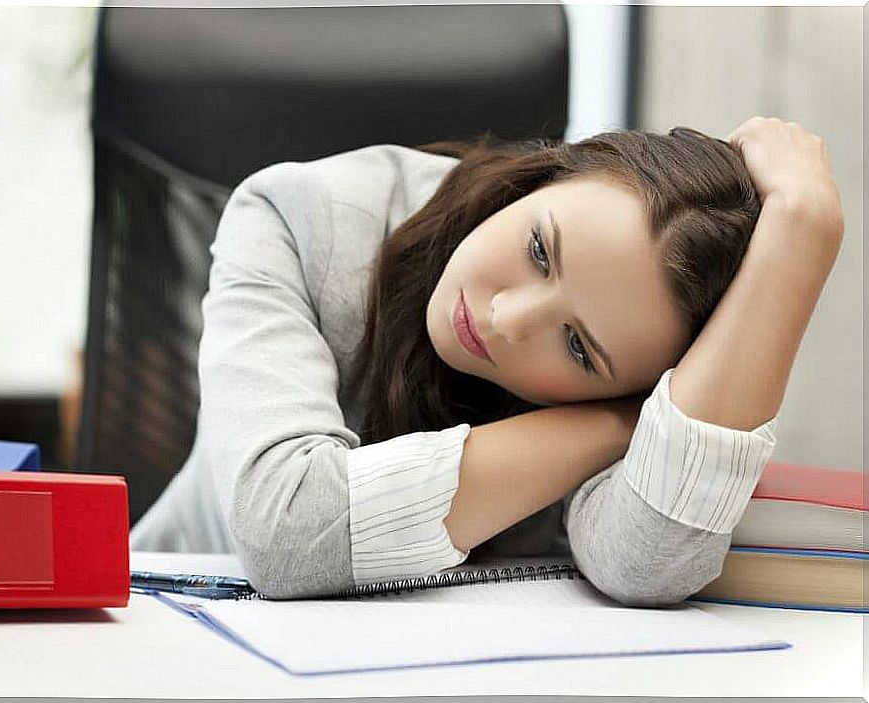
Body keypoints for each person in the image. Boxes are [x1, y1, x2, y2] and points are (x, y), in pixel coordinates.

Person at [131, 117, 844, 605]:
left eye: (576, 346)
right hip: (177, 617)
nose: (504, 318)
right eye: (539, 249)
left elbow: (645, 563)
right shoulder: (298, 214)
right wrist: (616, 422)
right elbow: (285, 531)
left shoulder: (642, 352)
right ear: (539, 179)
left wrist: (801, 233)